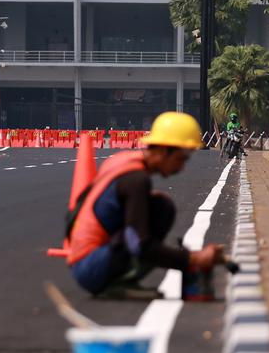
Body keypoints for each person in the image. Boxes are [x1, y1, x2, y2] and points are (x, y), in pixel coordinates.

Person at [68, 112, 227, 300]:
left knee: (159, 205)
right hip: (91, 268)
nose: (181, 167)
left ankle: (121, 279)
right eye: (180, 159)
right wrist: (192, 259)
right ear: (162, 150)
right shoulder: (137, 180)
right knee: (162, 209)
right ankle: (119, 283)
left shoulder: (123, 161)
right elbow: (140, 245)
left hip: (83, 260)